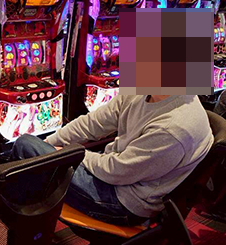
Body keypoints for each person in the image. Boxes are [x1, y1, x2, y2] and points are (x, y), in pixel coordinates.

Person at [11, 95, 213, 226]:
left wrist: (68, 153)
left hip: (124, 201)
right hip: (118, 172)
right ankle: (30, 224)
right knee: (34, 152)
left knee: (25, 146)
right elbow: (92, 123)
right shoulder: (148, 89)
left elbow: (117, 171)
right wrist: (49, 144)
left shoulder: (174, 127)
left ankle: (19, 228)